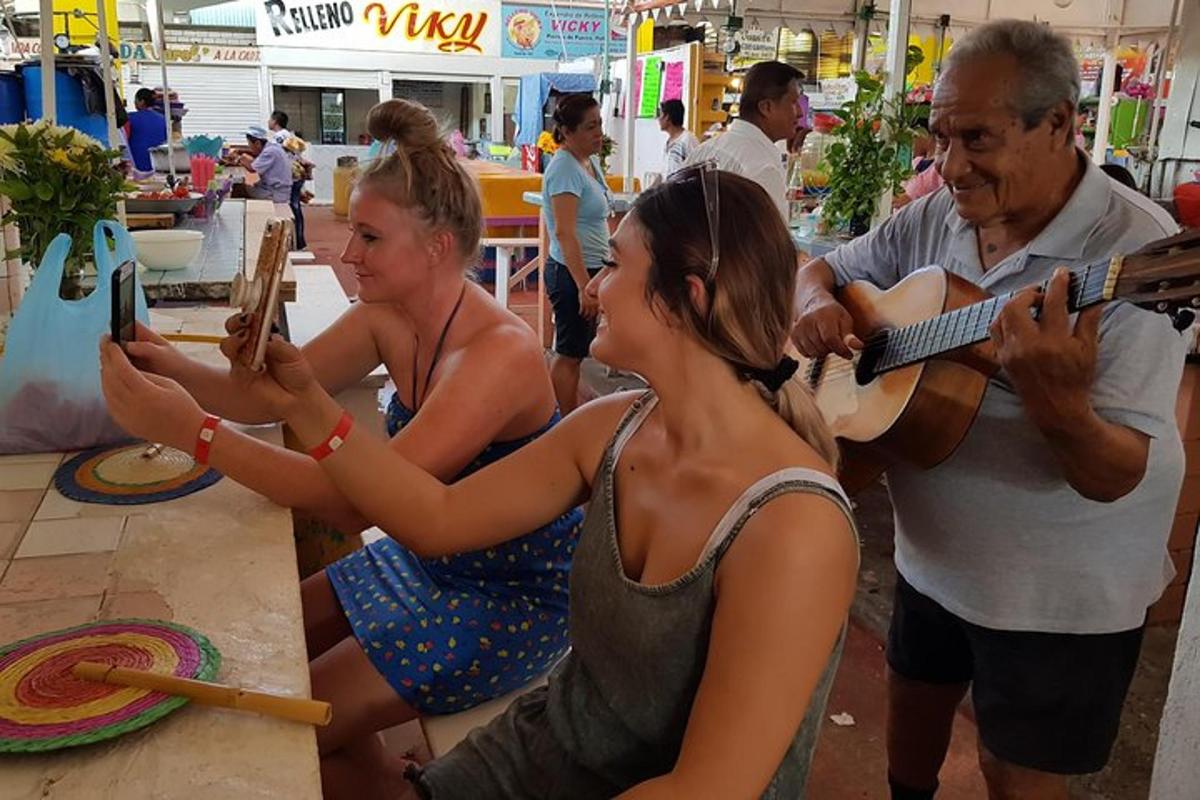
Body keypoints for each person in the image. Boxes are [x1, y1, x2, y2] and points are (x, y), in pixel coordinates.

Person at [104, 165, 858, 798]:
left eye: (616, 265)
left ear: (686, 297)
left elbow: (705, 791)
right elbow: (434, 518)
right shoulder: (617, 425)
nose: (593, 286)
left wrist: (201, 431)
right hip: (550, 750)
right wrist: (301, 402)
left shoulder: (793, 524)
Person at [98, 98, 583, 800]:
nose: (349, 252)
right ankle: (387, 775)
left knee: (276, 717)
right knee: (262, 649)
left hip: (507, 599)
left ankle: (389, 786)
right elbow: (264, 396)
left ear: (437, 246)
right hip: (427, 559)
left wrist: (193, 434)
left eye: (369, 237)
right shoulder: (387, 317)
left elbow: (349, 502)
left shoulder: (499, 355)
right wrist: (167, 362)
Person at [792, 20, 1187, 800]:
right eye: (940, 137)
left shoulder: (1133, 254)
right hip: (931, 558)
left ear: (1062, 124)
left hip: (1058, 594)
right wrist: (812, 303)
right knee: (910, 730)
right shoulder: (939, 214)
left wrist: (1060, 407)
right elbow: (827, 267)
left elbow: (1116, 476)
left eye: (977, 137)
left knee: (1016, 778)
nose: (950, 165)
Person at [542, 93, 612, 415]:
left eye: (599, 124)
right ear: (567, 132)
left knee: (577, 352)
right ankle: (564, 425)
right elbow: (564, 232)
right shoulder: (564, 169)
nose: (598, 133)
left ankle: (567, 412)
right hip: (573, 274)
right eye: (589, 127)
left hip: (591, 271)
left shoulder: (589, 161)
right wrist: (584, 285)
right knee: (568, 355)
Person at [687, 60, 802, 222]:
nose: (800, 113)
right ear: (766, 107)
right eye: (793, 102)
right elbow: (770, 245)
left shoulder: (704, 150)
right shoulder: (762, 168)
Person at [268, 109, 310, 249]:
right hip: (297, 175)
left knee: (290, 208)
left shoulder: (276, 138)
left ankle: (294, 242)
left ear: (275, 121)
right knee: (296, 207)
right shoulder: (291, 136)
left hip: (287, 176)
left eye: (270, 119)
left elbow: (273, 156)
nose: (268, 122)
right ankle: (300, 241)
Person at [239, 125, 295, 216]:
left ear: (257, 143)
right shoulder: (272, 148)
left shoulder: (269, 151)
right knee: (244, 188)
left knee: (239, 189)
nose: (249, 147)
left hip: (275, 193)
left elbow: (252, 169)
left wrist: (239, 159)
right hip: (276, 190)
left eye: (249, 144)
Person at [892, 117, 943, 210]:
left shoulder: (939, 168)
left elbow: (944, 202)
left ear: (925, 135)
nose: (910, 143)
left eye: (913, 137)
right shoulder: (916, 163)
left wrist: (913, 202)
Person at [125, 87, 167, 173]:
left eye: (136, 100)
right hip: (159, 164)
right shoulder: (163, 119)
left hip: (138, 165)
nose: (134, 103)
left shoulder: (130, 118)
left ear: (142, 102)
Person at [657, 99, 698, 176]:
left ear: (667, 117)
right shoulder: (669, 142)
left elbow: (696, 168)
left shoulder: (688, 139)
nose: (658, 119)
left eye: (660, 115)